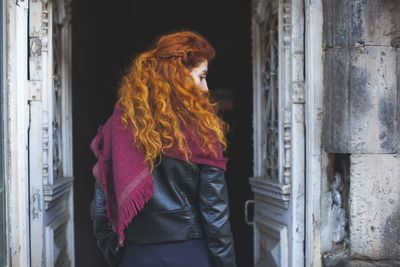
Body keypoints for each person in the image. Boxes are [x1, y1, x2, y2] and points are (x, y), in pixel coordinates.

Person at [89, 30, 237, 267]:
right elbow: (215, 216)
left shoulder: (118, 127)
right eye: (201, 77)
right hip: (189, 254)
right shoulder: (203, 131)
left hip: (137, 254)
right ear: (178, 76)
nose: (206, 88)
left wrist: (118, 256)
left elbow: (100, 210)